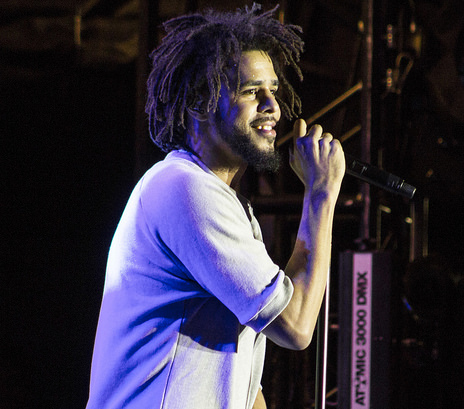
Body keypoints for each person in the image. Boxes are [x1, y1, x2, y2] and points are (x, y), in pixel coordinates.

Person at [86, 4, 345, 409]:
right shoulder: (185, 190)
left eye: (273, 89)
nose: (272, 106)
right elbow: (295, 325)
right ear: (200, 102)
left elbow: (243, 385)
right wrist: (320, 194)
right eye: (251, 91)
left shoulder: (220, 201)